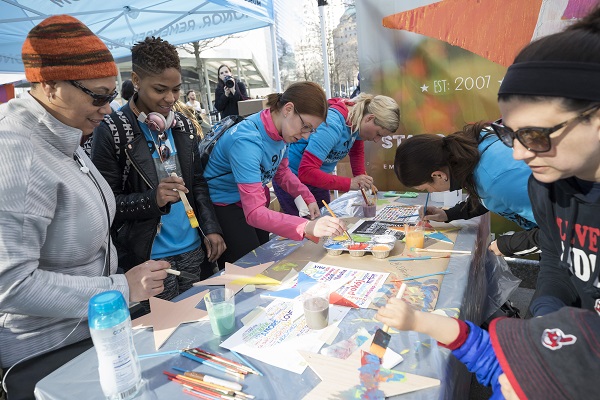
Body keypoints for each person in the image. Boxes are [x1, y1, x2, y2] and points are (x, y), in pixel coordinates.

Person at [0, 15, 170, 398]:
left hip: (92, 334)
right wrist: (120, 288)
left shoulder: (65, 132)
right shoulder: (17, 152)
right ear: (49, 85)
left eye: (112, 95)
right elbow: (10, 284)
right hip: (49, 354)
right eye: (98, 97)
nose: (108, 109)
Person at [91, 37, 226, 305]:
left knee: (200, 324)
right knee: (163, 334)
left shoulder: (184, 127)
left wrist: (211, 227)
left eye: (176, 89)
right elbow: (104, 206)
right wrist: (153, 199)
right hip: (146, 260)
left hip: (193, 250)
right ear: (136, 81)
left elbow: (198, 183)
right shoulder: (112, 131)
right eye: (160, 89)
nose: (170, 99)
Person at [493, 7, 600, 316]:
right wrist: (545, 309)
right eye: (509, 134)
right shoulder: (547, 186)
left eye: (534, 134)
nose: (519, 153)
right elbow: (557, 259)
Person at [203, 82, 347, 267]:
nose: (306, 136)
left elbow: (281, 171)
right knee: (249, 268)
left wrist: (306, 196)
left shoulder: (281, 131)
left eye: (311, 130)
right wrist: (307, 226)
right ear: (288, 109)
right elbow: (254, 213)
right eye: (306, 126)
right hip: (226, 204)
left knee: (264, 259)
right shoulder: (246, 141)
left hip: (251, 201)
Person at [376, 298, 597, 399]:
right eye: (514, 359)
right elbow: (478, 347)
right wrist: (416, 320)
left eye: (524, 377)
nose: (502, 378)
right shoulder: (510, 379)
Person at [394, 122, 539, 257]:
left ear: (438, 175)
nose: (431, 193)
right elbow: (486, 195)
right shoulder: (474, 153)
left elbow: (558, 232)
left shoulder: (499, 178)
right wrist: (449, 214)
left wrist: (507, 244)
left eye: (426, 188)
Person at [274, 93, 400, 216]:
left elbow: (356, 152)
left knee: (324, 220)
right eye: (378, 134)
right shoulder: (333, 125)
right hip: (292, 179)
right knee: (305, 228)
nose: (376, 140)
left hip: (318, 178)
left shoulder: (357, 120)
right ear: (369, 118)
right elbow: (306, 172)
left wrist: (362, 180)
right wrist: (350, 183)